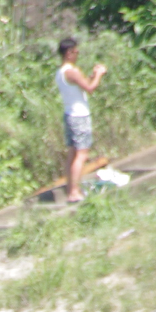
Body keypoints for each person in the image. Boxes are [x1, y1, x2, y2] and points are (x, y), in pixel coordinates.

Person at [56, 37, 106, 204]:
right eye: (76, 52)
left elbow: (83, 86)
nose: (77, 55)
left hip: (69, 114)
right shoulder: (71, 71)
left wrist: (92, 76)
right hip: (79, 116)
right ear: (69, 53)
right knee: (81, 154)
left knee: (72, 153)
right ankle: (74, 192)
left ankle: (71, 189)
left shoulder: (61, 72)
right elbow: (91, 88)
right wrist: (99, 75)